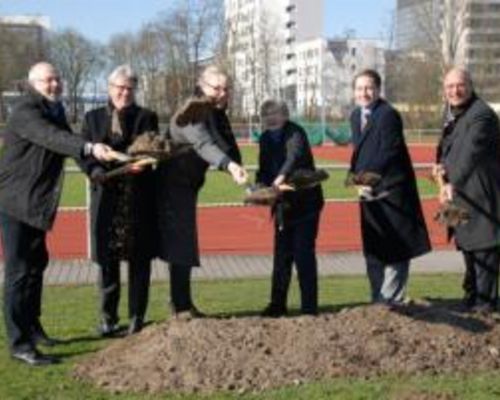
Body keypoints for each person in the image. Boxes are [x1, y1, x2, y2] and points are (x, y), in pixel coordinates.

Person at [0, 62, 114, 366]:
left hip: (36, 205)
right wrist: (90, 147)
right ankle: (19, 343)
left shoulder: (55, 109)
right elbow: (54, 138)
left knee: (36, 266)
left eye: (57, 79)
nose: (55, 85)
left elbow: (69, 147)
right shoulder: (25, 111)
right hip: (15, 203)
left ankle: (33, 329)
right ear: (32, 82)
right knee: (18, 273)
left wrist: (94, 171)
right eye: (48, 80)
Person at [157, 65, 248, 317]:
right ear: (201, 85)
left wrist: (237, 167)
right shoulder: (193, 110)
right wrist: (229, 165)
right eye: (216, 88)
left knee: (183, 243)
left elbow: (225, 143)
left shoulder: (214, 112)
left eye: (226, 88)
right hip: (172, 186)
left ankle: (182, 304)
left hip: (186, 185)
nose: (222, 93)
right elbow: (203, 143)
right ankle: (181, 307)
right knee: (181, 245)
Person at [78, 65, 160, 336]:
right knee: (107, 261)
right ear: (109, 88)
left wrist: (141, 163)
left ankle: (137, 317)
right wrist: (96, 171)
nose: (124, 92)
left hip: (138, 198)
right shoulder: (92, 118)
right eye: (120, 87)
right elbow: (84, 155)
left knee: (139, 262)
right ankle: (108, 319)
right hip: (106, 198)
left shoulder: (147, 117)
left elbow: (151, 149)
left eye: (129, 88)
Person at [349, 69, 431, 304]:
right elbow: (359, 153)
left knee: (397, 247)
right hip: (368, 193)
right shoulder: (356, 116)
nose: (364, 93)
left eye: (369, 88)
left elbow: (389, 152)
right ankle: (378, 300)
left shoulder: (388, 115)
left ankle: (391, 299)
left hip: (392, 190)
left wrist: (365, 178)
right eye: (359, 88)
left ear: (378, 90)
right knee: (374, 247)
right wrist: (354, 176)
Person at [434, 67, 500, 313]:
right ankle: (471, 298)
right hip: (459, 199)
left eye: (460, 85)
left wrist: (452, 182)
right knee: (467, 251)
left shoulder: (481, 115)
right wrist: (440, 165)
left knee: (484, 252)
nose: (455, 91)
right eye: (449, 87)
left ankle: (485, 306)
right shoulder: (451, 113)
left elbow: (470, 155)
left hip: (480, 197)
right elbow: (447, 147)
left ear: (470, 85)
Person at [256, 100, 324, 316]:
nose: (270, 118)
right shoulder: (265, 138)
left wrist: (279, 178)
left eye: (274, 113)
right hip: (283, 206)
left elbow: (293, 157)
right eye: (266, 115)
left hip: (306, 205)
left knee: (303, 256)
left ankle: (309, 309)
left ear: (285, 115)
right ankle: (277, 305)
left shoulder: (296, 132)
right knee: (281, 257)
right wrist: (259, 187)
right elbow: (263, 167)